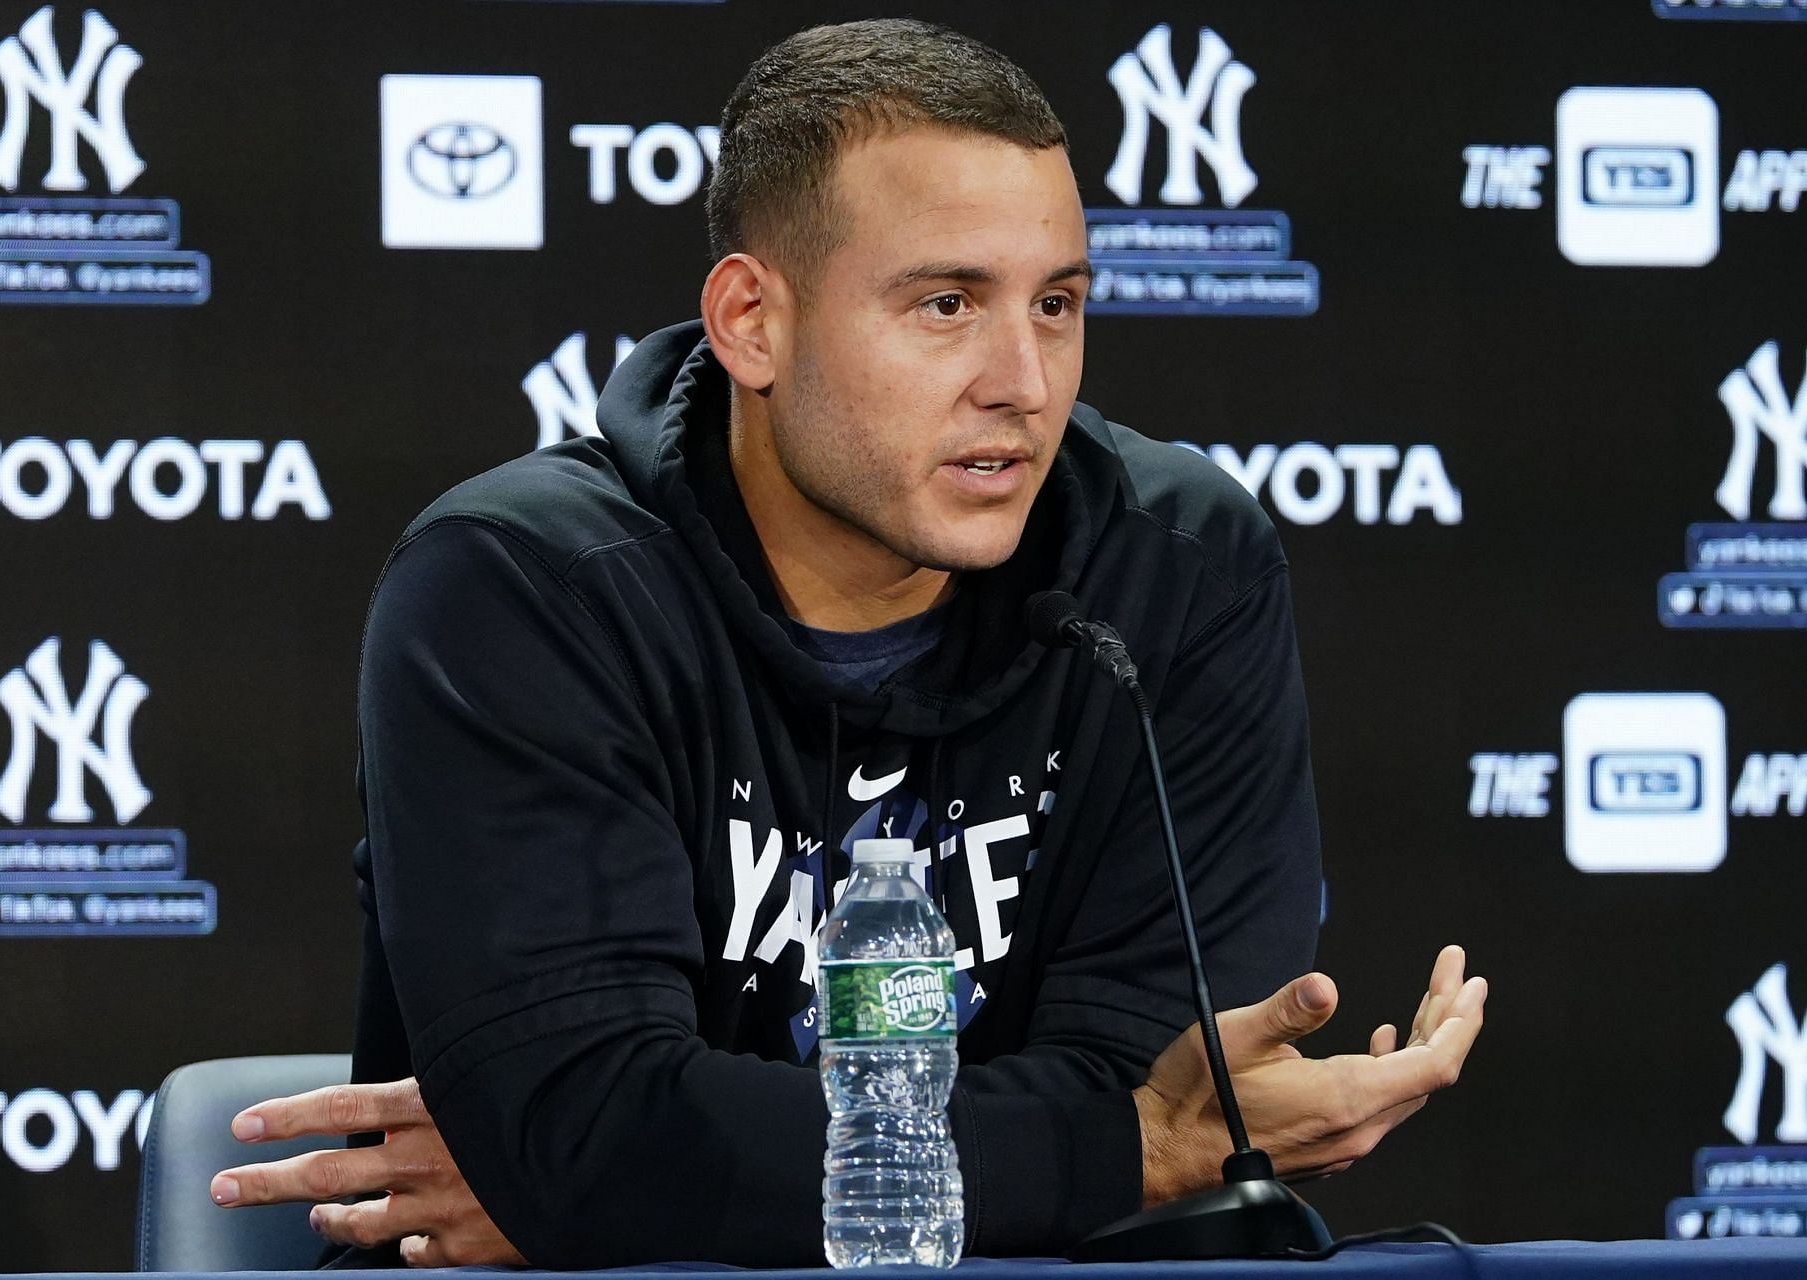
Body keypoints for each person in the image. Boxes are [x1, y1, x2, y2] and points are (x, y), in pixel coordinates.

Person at [208, 18, 1488, 1269]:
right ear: (752, 320)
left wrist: (665, 1178)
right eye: (945, 303)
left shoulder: (1171, 573)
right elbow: (601, 1135)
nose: (1025, 383)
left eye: (1056, 302)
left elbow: (1165, 1103)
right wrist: (1117, 1146)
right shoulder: (528, 586)